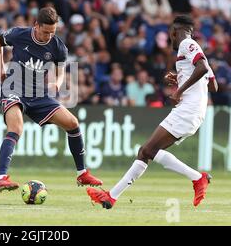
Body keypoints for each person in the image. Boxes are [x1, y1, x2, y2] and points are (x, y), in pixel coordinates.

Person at [86, 15, 218, 209]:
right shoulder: (196, 49)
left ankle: (199, 178)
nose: (170, 39)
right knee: (146, 151)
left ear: (175, 31)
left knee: (147, 150)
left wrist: (179, 90)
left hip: (188, 110)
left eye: (170, 35)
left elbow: (202, 68)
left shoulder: (187, 44)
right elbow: (213, 84)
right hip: (194, 111)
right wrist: (182, 78)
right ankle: (110, 197)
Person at [0, 7, 103, 193]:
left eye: (53, 32)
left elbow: (60, 71)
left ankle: (82, 174)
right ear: (36, 25)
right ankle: (1, 178)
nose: (49, 36)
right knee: (16, 128)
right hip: (13, 88)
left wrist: (57, 84)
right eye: (45, 32)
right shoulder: (19, 34)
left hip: (38, 93)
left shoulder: (58, 47)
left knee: (72, 123)